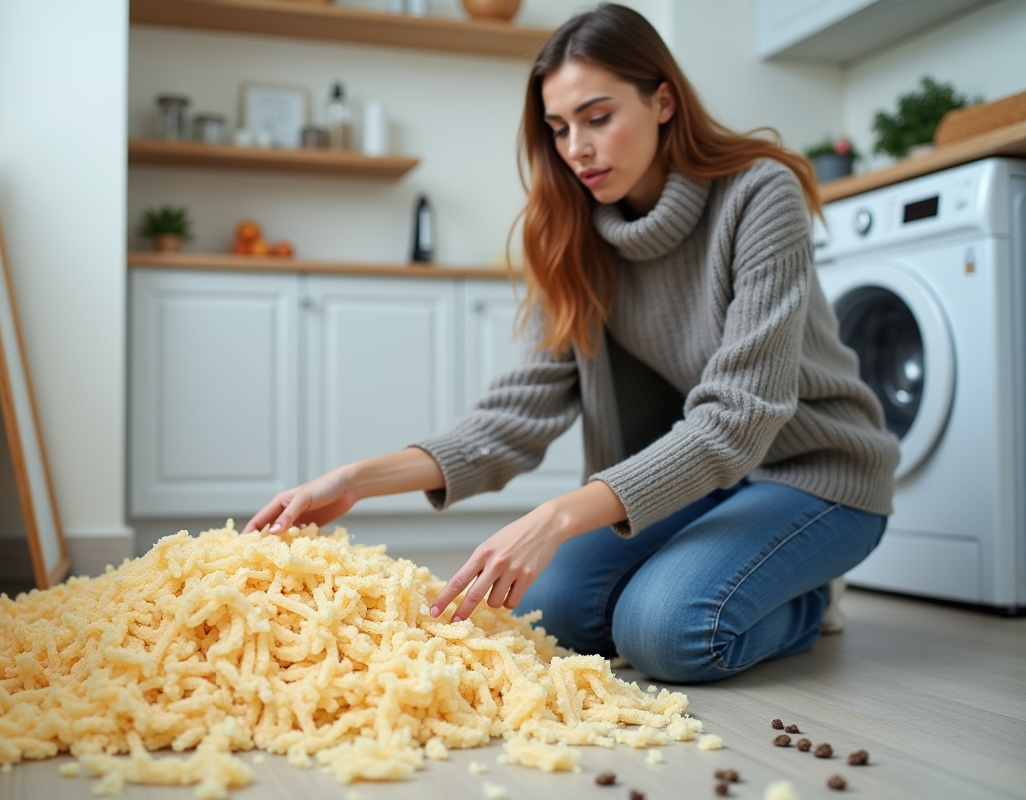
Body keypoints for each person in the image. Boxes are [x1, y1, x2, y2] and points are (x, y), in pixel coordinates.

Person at [244, 3, 899, 684]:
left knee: (666, 632)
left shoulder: (760, 194)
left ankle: (809, 596)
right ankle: (729, 573)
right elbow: (513, 417)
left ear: (663, 101)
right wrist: (356, 479)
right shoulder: (570, 232)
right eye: (559, 129)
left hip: (817, 475)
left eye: (598, 117)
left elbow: (740, 414)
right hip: (706, 484)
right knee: (556, 615)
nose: (576, 148)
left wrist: (556, 517)